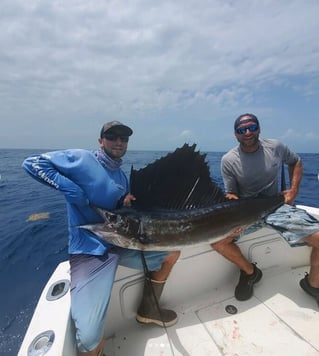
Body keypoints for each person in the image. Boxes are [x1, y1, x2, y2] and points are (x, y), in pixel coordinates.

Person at [22, 121, 180, 356]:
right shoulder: (82, 159)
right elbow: (32, 163)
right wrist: (68, 187)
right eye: (112, 136)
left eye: (124, 138)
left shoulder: (121, 176)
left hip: (119, 243)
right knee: (88, 338)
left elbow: (117, 212)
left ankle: (148, 309)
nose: (118, 141)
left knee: (171, 254)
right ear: (100, 140)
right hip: (89, 251)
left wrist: (124, 204)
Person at [210, 113, 319, 304]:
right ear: (236, 134)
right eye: (242, 130)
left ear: (259, 128)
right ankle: (250, 272)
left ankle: (313, 285)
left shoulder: (275, 146)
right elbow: (232, 195)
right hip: (247, 213)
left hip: (276, 207)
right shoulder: (229, 160)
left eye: (252, 127)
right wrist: (233, 220)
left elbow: (296, 161)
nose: (248, 132)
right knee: (218, 241)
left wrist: (293, 191)